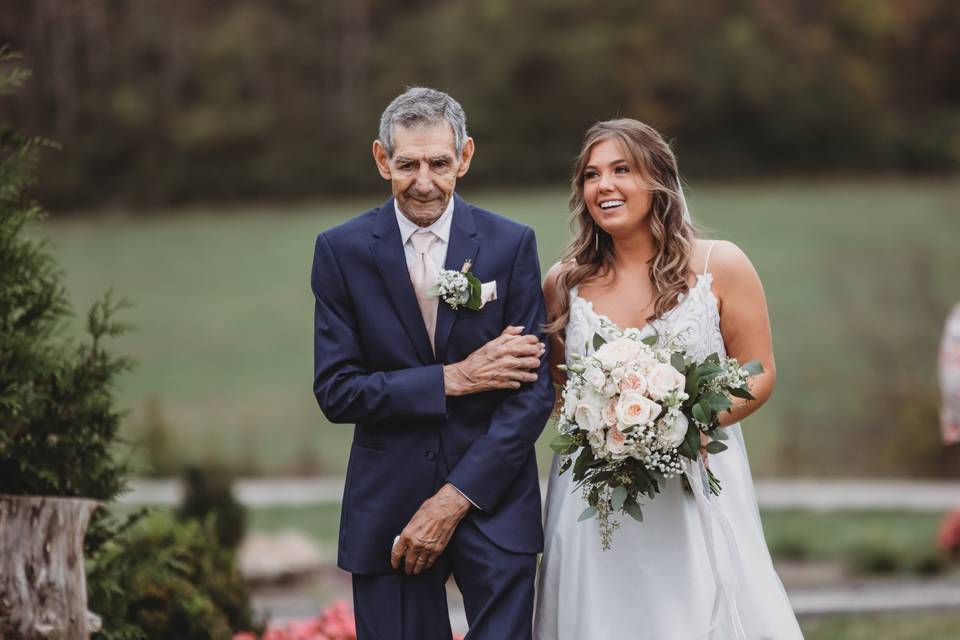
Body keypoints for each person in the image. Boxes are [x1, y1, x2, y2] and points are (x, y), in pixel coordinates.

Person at [533, 119, 803, 639]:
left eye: (621, 170)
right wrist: (606, 424)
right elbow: (559, 391)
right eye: (591, 175)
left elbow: (760, 371)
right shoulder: (564, 282)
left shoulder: (721, 264)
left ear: (658, 179)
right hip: (594, 494)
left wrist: (679, 428)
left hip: (690, 482)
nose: (603, 185)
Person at [311, 87, 554, 640]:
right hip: (387, 507)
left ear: (464, 158)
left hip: (493, 503)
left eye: (439, 163)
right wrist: (455, 378)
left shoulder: (511, 243)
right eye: (407, 164)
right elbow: (338, 392)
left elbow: (533, 393)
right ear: (381, 160)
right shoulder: (340, 251)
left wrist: (455, 497)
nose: (424, 181)